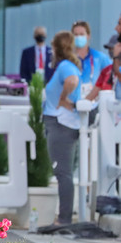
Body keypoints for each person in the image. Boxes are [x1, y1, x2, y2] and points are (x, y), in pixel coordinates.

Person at [42, 31, 81, 225]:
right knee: (63, 172)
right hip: (60, 123)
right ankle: (64, 217)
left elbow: (72, 80)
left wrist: (63, 98)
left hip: (61, 124)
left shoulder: (65, 66)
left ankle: (64, 219)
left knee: (63, 172)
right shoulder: (66, 66)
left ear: (57, 47)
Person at [71, 20, 111, 100]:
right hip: (73, 103)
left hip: (94, 103)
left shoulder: (100, 57)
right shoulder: (68, 59)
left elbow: (111, 76)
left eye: (82, 34)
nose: (78, 37)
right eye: (76, 35)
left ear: (88, 36)